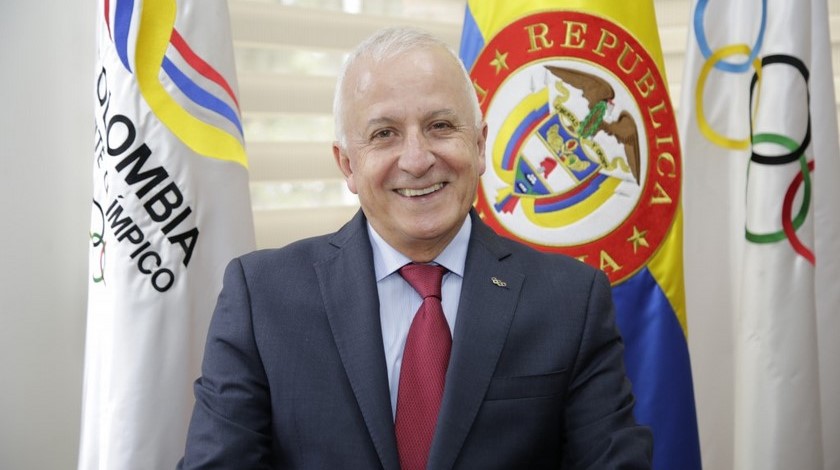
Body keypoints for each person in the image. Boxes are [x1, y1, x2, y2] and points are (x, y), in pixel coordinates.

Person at [179, 27, 652, 469]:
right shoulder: (261, 298)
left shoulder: (571, 301)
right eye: (384, 134)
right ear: (347, 164)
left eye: (440, 125)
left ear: (480, 145)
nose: (417, 159)